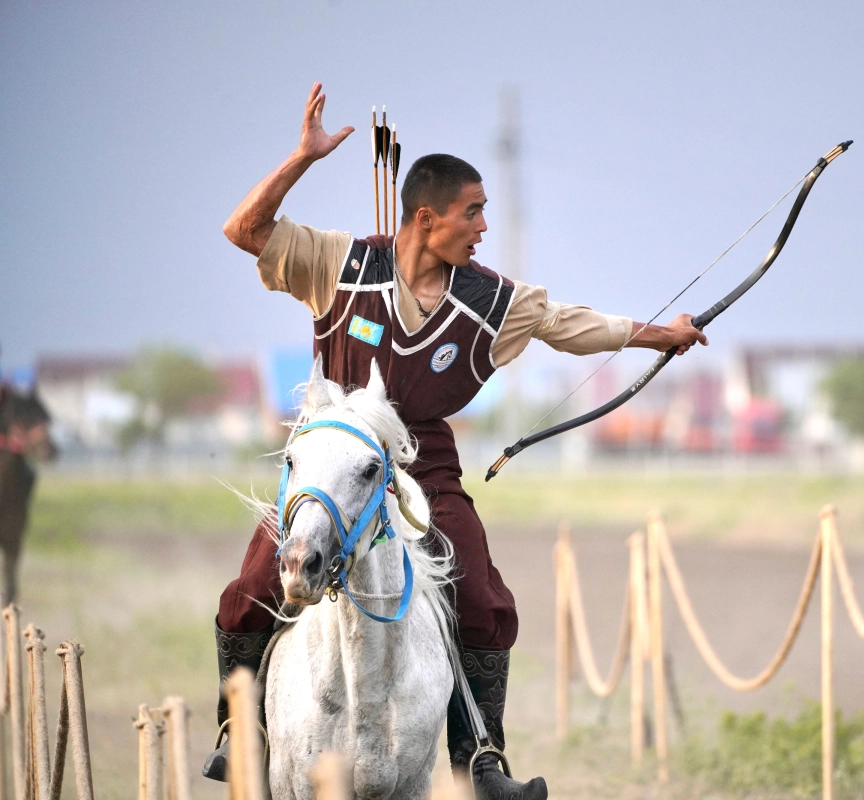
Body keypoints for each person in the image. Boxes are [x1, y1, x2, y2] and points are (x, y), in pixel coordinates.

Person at [206, 83, 707, 798]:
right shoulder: (340, 263)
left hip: (423, 460)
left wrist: (665, 333)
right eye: (472, 212)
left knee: (482, 598)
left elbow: (573, 324)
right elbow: (244, 230)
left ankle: (479, 759)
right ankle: (240, 729)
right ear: (426, 217)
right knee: (254, 587)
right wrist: (300, 159)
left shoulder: (490, 300)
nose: (481, 227)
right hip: (333, 450)